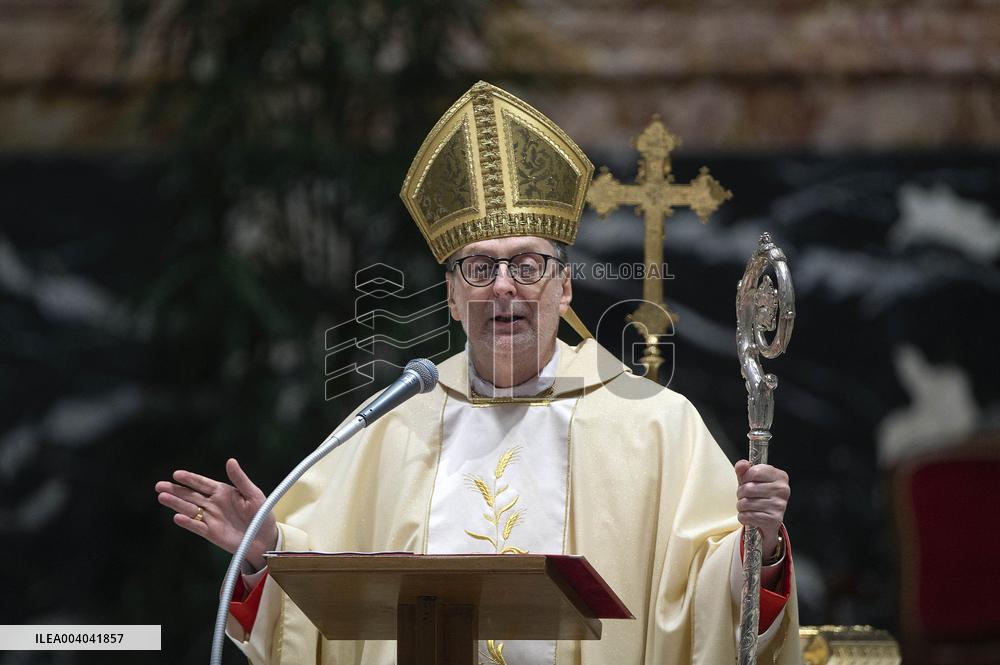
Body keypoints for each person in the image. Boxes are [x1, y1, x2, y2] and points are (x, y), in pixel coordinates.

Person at [155, 81, 799, 665]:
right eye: (478, 269)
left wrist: (760, 550)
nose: (502, 288)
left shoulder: (654, 424)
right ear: (453, 297)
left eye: (527, 265)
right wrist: (266, 554)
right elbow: (322, 611)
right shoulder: (391, 422)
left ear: (565, 287)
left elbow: (711, 607)